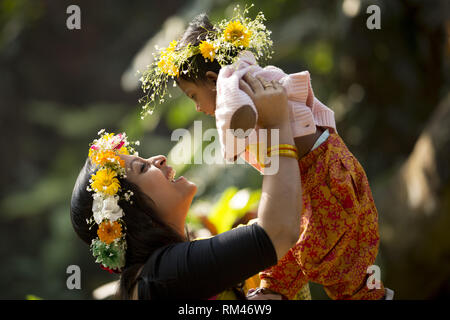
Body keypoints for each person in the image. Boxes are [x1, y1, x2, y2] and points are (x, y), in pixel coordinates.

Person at [151, 12, 392, 300]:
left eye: (193, 97)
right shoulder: (246, 69)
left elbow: (235, 113)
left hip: (321, 173)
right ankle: (273, 291)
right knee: (303, 251)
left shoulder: (232, 82)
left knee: (325, 257)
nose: (199, 108)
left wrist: (234, 134)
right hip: (323, 166)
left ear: (212, 80)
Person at [70, 73, 303, 299]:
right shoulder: (162, 275)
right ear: (135, 216)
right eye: (142, 168)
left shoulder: (161, 274)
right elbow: (278, 232)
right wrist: (276, 124)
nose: (159, 158)